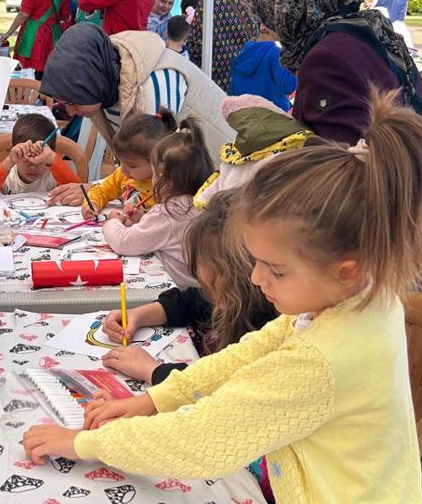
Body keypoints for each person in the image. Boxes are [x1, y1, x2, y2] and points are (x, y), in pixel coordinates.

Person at [22, 91, 422, 503]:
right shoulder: (356, 297)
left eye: (275, 269)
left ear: (346, 268)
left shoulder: (321, 359)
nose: (256, 278)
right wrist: (154, 399)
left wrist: (82, 444)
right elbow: (250, 354)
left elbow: (198, 440)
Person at [241, 0, 422, 146]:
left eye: (268, 8)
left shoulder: (328, 57)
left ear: (292, 0)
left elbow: (335, 163)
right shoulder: (365, 27)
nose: (263, 25)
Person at [39, 23, 235, 206]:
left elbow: (159, 166)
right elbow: (136, 162)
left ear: (93, 82)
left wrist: (97, 189)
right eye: (64, 105)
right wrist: (100, 189)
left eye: (73, 102)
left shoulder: (152, 84)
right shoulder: (107, 75)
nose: (71, 112)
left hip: (221, 183)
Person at [100, 189, 278, 384]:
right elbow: (193, 301)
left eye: (201, 265)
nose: (197, 275)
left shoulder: (263, 331)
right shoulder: (235, 299)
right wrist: (138, 315)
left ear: (230, 275)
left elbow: (217, 386)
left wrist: (151, 370)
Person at [100, 117, 215, 289]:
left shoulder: (169, 212)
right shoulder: (200, 203)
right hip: (203, 289)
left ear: (166, 181)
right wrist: (143, 219)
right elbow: (169, 235)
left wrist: (112, 223)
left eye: (153, 171)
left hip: (180, 292)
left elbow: (125, 242)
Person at [81, 110, 177, 219]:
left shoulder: (167, 187)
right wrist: (92, 204)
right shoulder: (123, 175)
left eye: (132, 166)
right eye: (121, 162)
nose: (123, 170)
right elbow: (101, 191)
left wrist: (137, 219)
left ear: (157, 160)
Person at [189, 0, 258, 93]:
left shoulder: (207, 4)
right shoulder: (254, 3)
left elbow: (194, 46)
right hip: (249, 81)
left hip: (214, 85)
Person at [0, 113, 80, 200]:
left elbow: (77, 189)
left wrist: (53, 159)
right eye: (26, 160)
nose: (33, 167)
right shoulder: (8, 176)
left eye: (40, 161)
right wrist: (9, 161)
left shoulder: (52, 176)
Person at [0, 0, 70, 81]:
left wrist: (8, 33)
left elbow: (23, 15)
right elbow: (64, 17)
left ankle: (33, 96)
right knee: (49, 70)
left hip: (33, 35)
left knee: (30, 71)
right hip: (53, 36)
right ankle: (47, 98)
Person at [229, 24, 298, 111]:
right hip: (273, 116)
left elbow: (233, 92)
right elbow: (288, 86)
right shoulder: (275, 54)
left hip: (246, 117)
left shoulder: (243, 53)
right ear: (264, 28)